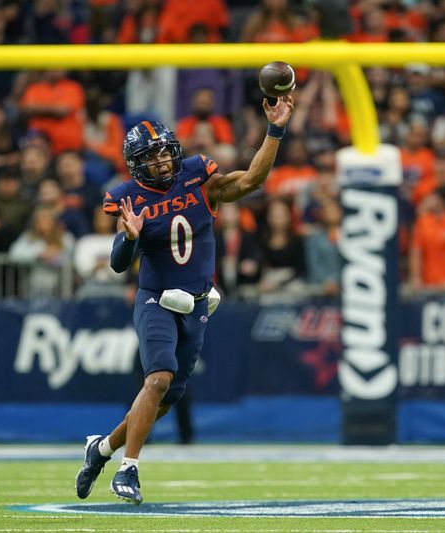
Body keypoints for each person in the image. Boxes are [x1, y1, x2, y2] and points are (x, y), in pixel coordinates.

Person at [74, 94, 294, 504]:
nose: (160, 163)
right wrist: (129, 237)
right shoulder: (128, 197)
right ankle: (129, 469)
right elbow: (120, 265)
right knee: (157, 378)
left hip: (197, 303)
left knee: (163, 401)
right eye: (151, 157)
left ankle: (101, 449)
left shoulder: (197, 178)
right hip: (156, 299)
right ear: (136, 163)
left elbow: (251, 181)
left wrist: (275, 130)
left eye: (163, 154)